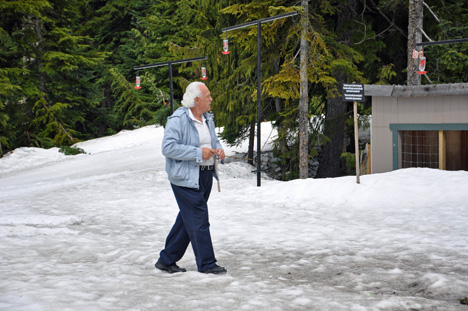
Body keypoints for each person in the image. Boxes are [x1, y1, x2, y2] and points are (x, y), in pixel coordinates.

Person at [155, 81, 227, 275]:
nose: (211, 99)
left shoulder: (207, 118)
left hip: (205, 175)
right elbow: (167, 148)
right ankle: (207, 264)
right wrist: (197, 152)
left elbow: (212, 140)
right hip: (184, 178)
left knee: (189, 219)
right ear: (197, 100)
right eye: (208, 96)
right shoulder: (178, 119)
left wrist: (218, 149)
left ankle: (166, 259)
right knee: (199, 219)